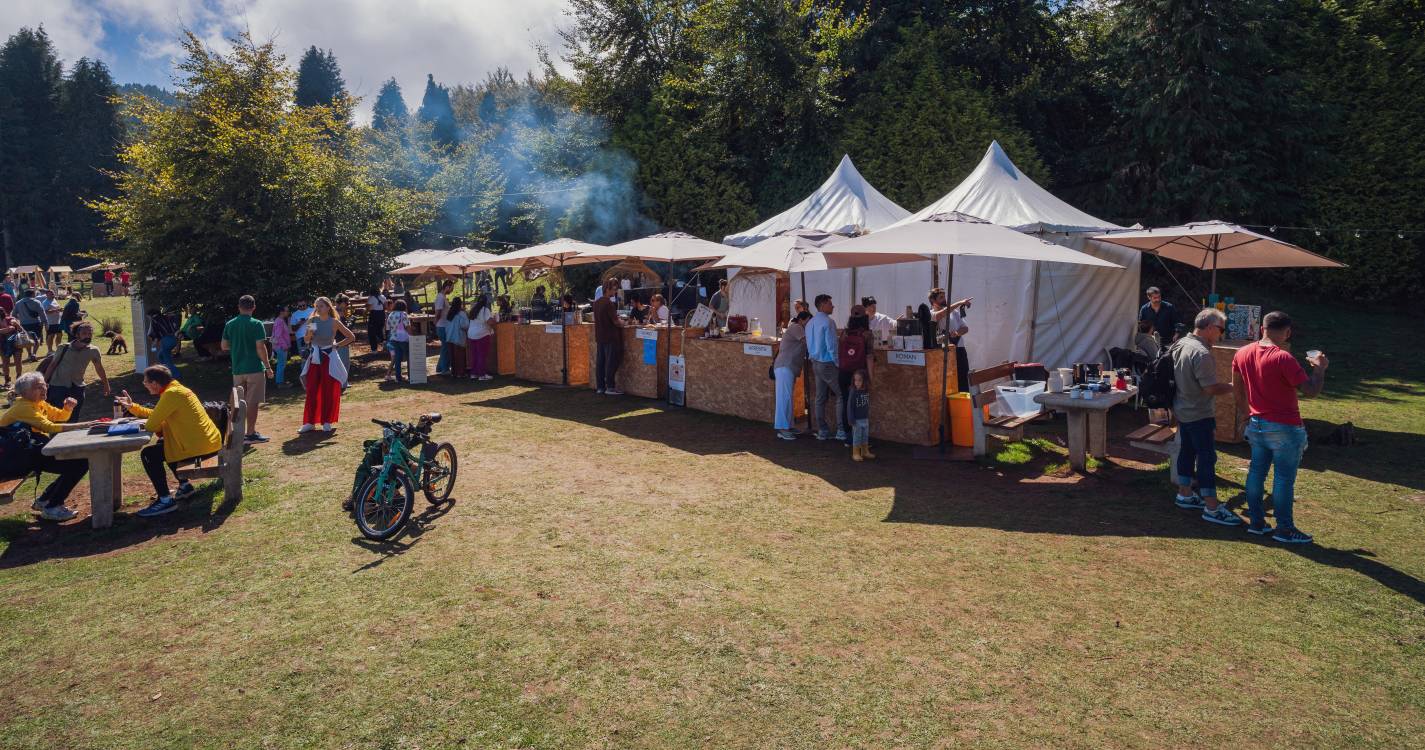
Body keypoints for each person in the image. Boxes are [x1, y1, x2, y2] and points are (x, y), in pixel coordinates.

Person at [1232, 311, 1328, 544]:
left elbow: (1237, 388)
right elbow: (1311, 391)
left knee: (1256, 473)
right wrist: (1319, 369)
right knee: (1284, 478)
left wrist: (1246, 414)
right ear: (1287, 332)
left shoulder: (1242, 352)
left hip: (1257, 424)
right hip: (1285, 426)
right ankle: (1284, 529)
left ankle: (1257, 522)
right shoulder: (1283, 358)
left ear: (1262, 329)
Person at [115, 365, 223, 518]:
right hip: (207, 442)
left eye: (145, 382)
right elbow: (158, 414)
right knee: (163, 444)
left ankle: (165, 500)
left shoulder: (171, 394)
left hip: (199, 448)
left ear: (154, 383)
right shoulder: (177, 389)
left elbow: (152, 424)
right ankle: (185, 486)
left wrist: (144, 420)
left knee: (149, 454)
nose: (144, 385)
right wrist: (133, 407)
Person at [1168, 308, 1237, 524]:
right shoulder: (1202, 353)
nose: (1222, 335)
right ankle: (1212, 508)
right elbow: (1210, 388)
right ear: (1208, 327)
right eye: (1221, 329)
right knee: (1206, 458)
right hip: (1198, 413)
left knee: (1187, 452)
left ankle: (1185, 493)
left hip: (1183, 409)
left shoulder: (1182, 343)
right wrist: (1234, 386)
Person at [1, 372, 94, 520]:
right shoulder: (23, 407)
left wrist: (67, 408)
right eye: (39, 387)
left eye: (45, 385)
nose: (44, 389)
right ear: (25, 392)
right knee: (79, 464)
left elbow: (59, 417)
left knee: (79, 462)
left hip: (27, 451)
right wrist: (86, 424)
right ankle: (52, 507)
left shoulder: (38, 403)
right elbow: (49, 427)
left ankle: (45, 500)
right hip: (13, 458)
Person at [221, 295, 273, 444]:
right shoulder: (256, 324)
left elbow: (224, 346)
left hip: (237, 370)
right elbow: (260, 347)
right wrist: (268, 367)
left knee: (238, 403)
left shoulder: (230, 324)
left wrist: (237, 346)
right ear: (253, 307)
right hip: (254, 368)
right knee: (252, 402)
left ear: (239, 307)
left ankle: (237, 434)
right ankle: (250, 433)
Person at [299, 296, 356, 433]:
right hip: (315, 358)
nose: (318, 308)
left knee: (328, 390)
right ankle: (309, 422)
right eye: (317, 306)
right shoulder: (313, 320)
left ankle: (327, 421)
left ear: (328, 307)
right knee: (311, 389)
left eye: (321, 306)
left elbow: (351, 337)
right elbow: (306, 340)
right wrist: (309, 334)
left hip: (329, 358)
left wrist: (337, 345)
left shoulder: (334, 322)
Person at [41, 321, 110, 421]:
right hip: (58, 386)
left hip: (77, 387)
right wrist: (43, 383)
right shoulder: (63, 347)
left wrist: (106, 384)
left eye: (90, 333)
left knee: (73, 417)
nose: (88, 336)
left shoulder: (93, 350)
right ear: (77, 335)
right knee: (57, 417)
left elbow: (99, 368)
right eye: (84, 333)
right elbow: (52, 365)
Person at [806, 294, 843, 441]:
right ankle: (841, 430)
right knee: (841, 394)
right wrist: (838, 363)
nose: (833, 306)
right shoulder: (828, 322)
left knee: (820, 397)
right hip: (827, 363)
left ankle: (823, 430)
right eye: (830, 303)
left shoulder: (810, 323)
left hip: (815, 362)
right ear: (822, 305)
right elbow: (832, 346)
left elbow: (809, 344)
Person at [836, 305, 875, 445]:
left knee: (847, 403)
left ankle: (848, 437)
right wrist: (871, 377)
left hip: (843, 372)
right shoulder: (867, 334)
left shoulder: (844, 333)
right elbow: (869, 357)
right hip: (858, 375)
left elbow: (839, 353)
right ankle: (857, 440)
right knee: (859, 407)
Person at [773, 310, 811, 440]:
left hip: (787, 367)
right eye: (809, 322)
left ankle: (788, 426)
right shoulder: (797, 327)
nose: (810, 325)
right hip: (785, 366)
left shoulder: (797, 328)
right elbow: (807, 341)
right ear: (802, 320)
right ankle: (782, 428)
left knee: (787, 398)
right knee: (784, 398)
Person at [926, 288, 971, 390]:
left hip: (959, 350)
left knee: (963, 380)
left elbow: (965, 328)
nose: (944, 299)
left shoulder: (954, 312)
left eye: (944, 296)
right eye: (941, 297)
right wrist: (960, 303)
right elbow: (941, 314)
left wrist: (957, 333)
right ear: (933, 301)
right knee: (948, 382)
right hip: (944, 353)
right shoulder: (931, 314)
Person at [593, 279, 624, 395]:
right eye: (614, 289)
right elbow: (616, 322)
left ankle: (600, 387)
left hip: (600, 336)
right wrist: (623, 323)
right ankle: (610, 387)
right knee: (610, 362)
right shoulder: (608, 303)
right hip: (610, 336)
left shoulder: (596, 303)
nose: (615, 292)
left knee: (600, 362)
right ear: (607, 289)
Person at [147, 305, 182, 380]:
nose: (148, 318)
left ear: (151, 315)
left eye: (148, 317)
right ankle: (166, 372)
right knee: (160, 356)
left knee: (167, 359)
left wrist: (153, 344)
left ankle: (176, 375)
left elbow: (154, 334)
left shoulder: (154, 320)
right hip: (174, 340)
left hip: (166, 340)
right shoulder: (166, 317)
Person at [466, 294, 495, 381]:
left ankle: (474, 373)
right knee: (482, 355)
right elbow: (490, 322)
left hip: (471, 334)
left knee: (474, 355)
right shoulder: (485, 310)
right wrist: (495, 320)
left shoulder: (473, 309)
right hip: (482, 334)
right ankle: (482, 375)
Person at [847, 369, 873, 461]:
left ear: (864, 381)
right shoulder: (853, 392)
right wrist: (851, 419)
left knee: (865, 436)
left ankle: (865, 451)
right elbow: (850, 406)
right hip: (857, 420)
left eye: (859, 380)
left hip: (865, 418)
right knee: (857, 436)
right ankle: (856, 453)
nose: (857, 382)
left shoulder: (866, 391)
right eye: (855, 380)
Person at [14, 289, 46, 362]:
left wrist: (21, 317)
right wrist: (45, 323)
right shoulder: (37, 302)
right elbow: (42, 313)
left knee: (27, 340)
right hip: (36, 323)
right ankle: (34, 354)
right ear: (33, 294)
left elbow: (13, 314)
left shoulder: (18, 303)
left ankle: (29, 354)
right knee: (37, 339)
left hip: (24, 324)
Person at [385, 299, 412, 383]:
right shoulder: (403, 314)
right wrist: (412, 335)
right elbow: (407, 327)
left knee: (397, 359)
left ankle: (398, 378)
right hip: (403, 339)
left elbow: (388, 328)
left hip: (394, 338)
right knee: (409, 357)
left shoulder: (391, 314)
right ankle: (410, 376)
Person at [270, 306, 293, 388]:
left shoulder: (280, 320)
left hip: (279, 346)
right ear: (281, 312)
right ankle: (280, 383)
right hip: (281, 347)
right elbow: (278, 336)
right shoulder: (279, 321)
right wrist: (285, 346)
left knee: (281, 364)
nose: (288, 312)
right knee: (281, 365)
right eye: (287, 311)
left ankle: (280, 381)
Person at [433, 280, 453, 375]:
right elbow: (438, 312)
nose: (452, 290)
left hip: (443, 325)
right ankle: (445, 369)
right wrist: (436, 322)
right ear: (447, 287)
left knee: (445, 347)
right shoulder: (441, 297)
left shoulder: (443, 296)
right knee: (446, 347)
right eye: (451, 288)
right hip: (442, 326)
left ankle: (440, 367)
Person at [446, 298, 469, 378]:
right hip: (458, 337)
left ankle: (454, 372)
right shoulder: (461, 314)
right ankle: (460, 373)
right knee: (460, 357)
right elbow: (465, 325)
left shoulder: (449, 313)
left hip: (450, 337)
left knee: (453, 357)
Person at [1, 308, 23, 386]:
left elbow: (20, 329)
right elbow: (9, 329)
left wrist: (17, 324)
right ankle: (7, 380)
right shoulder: (10, 319)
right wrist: (7, 329)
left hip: (15, 342)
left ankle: (19, 379)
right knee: (5, 362)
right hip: (3, 344)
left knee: (18, 361)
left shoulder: (11, 319)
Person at [365, 287, 387, 352]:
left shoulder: (371, 298)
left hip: (374, 315)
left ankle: (374, 349)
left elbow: (368, 308)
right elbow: (385, 306)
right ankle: (383, 341)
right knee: (380, 330)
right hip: (381, 315)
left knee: (372, 332)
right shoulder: (383, 297)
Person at [43, 290, 63, 356]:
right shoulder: (45, 302)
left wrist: (60, 310)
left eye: (53, 293)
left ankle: (58, 348)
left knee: (59, 335)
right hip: (50, 322)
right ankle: (49, 350)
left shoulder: (54, 300)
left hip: (58, 321)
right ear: (47, 295)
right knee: (50, 336)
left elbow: (56, 308)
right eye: (51, 294)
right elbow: (46, 312)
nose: (52, 295)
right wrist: (57, 310)